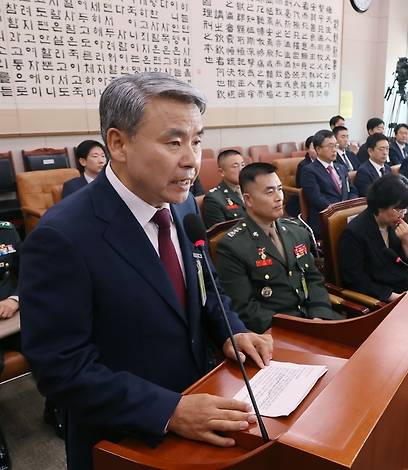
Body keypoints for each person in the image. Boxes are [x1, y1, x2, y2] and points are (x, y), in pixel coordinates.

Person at [19, 72, 273, 469]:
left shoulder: (184, 206)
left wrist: (232, 330)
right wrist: (170, 410)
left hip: (203, 410)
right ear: (118, 143)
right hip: (125, 442)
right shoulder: (62, 236)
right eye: (174, 142)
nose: (192, 159)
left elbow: (205, 285)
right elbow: (60, 369)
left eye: (197, 140)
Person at [215, 163, 341, 333]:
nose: (279, 197)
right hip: (278, 332)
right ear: (249, 200)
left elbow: (313, 278)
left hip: (315, 320)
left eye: (280, 189)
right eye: (269, 191)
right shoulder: (232, 245)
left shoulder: (296, 231)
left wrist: (319, 314)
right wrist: (297, 328)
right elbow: (244, 307)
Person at [339, 175, 408, 302]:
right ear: (381, 205)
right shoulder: (354, 233)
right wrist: (394, 297)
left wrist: (407, 241)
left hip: (403, 285)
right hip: (379, 296)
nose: (403, 214)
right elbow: (355, 280)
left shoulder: (396, 223)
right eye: (398, 209)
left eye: (406, 209)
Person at [299, 129, 358, 235]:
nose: (334, 149)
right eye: (330, 146)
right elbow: (317, 199)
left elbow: (352, 190)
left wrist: (350, 206)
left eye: (335, 145)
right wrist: (338, 212)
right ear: (318, 149)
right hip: (325, 219)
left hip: (346, 215)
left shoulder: (341, 167)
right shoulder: (309, 171)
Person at [0, 220, 21, 469]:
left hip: (10, 315)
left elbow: (32, 269)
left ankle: (55, 410)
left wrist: (15, 298)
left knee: (47, 344)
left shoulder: (6, 230)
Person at [203, 149, 246, 228]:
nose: (241, 170)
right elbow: (220, 236)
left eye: (243, 165)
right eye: (235, 166)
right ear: (222, 172)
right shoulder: (214, 199)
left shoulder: (251, 190)